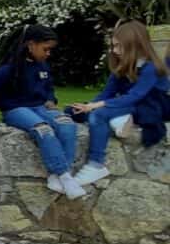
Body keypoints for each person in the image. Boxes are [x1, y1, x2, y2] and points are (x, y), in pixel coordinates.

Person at [0, 24, 85, 199]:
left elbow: (48, 87)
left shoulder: (42, 66)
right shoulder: (9, 69)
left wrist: (51, 99)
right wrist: (5, 104)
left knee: (67, 124)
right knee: (44, 129)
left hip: (41, 107)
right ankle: (65, 176)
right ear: (30, 45)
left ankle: (56, 175)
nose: (48, 53)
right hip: (17, 110)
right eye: (46, 49)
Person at [71, 21, 170, 185]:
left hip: (151, 105)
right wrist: (87, 105)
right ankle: (118, 120)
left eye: (119, 46)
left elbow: (135, 96)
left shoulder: (151, 68)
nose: (115, 51)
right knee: (72, 111)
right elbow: (107, 93)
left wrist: (98, 106)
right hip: (131, 103)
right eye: (113, 46)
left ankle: (96, 164)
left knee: (98, 115)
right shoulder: (122, 66)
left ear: (135, 44)